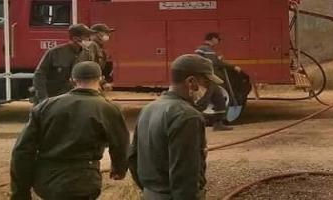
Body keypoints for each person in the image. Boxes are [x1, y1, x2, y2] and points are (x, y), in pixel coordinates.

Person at [10, 61, 130, 200]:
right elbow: (120, 143)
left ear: (72, 80)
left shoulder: (46, 106)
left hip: (47, 181)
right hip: (83, 181)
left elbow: (22, 151)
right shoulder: (107, 109)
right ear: (100, 79)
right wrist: (119, 169)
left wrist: (20, 191)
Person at [129, 54, 222, 200]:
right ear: (191, 82)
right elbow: (185, 175)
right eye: (206, 83)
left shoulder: (149, 108)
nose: (208, 89)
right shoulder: (187, 115)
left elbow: (133, 156)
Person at [195, 32, 248, 131]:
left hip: (206, 77)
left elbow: (210, 61)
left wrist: (217, 59)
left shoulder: (201, 49)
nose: (218, 42)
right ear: (213, 39)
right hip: (208, 78)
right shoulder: (207, 49)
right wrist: (233, 67)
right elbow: (215, 63)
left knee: (218, 99)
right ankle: (211, 123)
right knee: (206, 100)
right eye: (218, 39)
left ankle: (217, 124)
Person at [32, 24, 96, 104]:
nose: (89, 39)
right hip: (52, 97)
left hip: (73, 98)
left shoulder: (87, 54)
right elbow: (39, 75)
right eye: (86, 37)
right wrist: (43, 98)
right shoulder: (55, 52)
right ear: (75, 38)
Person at [90, 23, 116, 91]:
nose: (108, 35)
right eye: (105, 33)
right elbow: (91, 68)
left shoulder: (99, 48)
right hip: (90, 83)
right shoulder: (91, 47)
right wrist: (103, 82)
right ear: (96, 34)